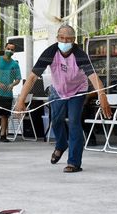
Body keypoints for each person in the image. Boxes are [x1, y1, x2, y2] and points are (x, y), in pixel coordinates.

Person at [15, 24, 111, 173]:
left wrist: (102, 94)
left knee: (74, 122)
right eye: (62, 38)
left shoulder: (80, 54)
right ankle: (61, 145)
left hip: (77, 91)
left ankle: (74, 162)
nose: (65, 42)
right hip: (58, 90)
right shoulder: (51, 51)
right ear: (57, 38)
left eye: (68, 39)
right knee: (57, 121)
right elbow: (33, 76)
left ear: (74, 40)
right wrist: (21, 99)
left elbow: (93, 76)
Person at [0, 42, 21, 142]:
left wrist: (12, 85)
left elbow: (18, 78)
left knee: (5, 115)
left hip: (7, 93)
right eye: (8, 48)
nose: (10, 51)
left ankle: (3, 135)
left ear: (14, 52)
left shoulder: (14, 64)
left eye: (12, 49)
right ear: (5, 48)